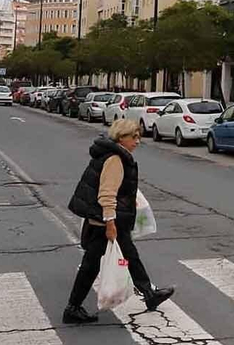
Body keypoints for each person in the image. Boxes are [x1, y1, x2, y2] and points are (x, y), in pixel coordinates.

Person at [65, 117, 173, 323]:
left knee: (129, 256)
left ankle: (149, 294)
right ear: (121, 137)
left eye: (139, 136)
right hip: (105, 223)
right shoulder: (115, 159)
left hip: (110, 221)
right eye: (134, 137)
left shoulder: (114, 155)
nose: (138, 141)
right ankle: (73, 308)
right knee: (91, 265)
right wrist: (110, 224)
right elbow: (107, 194)